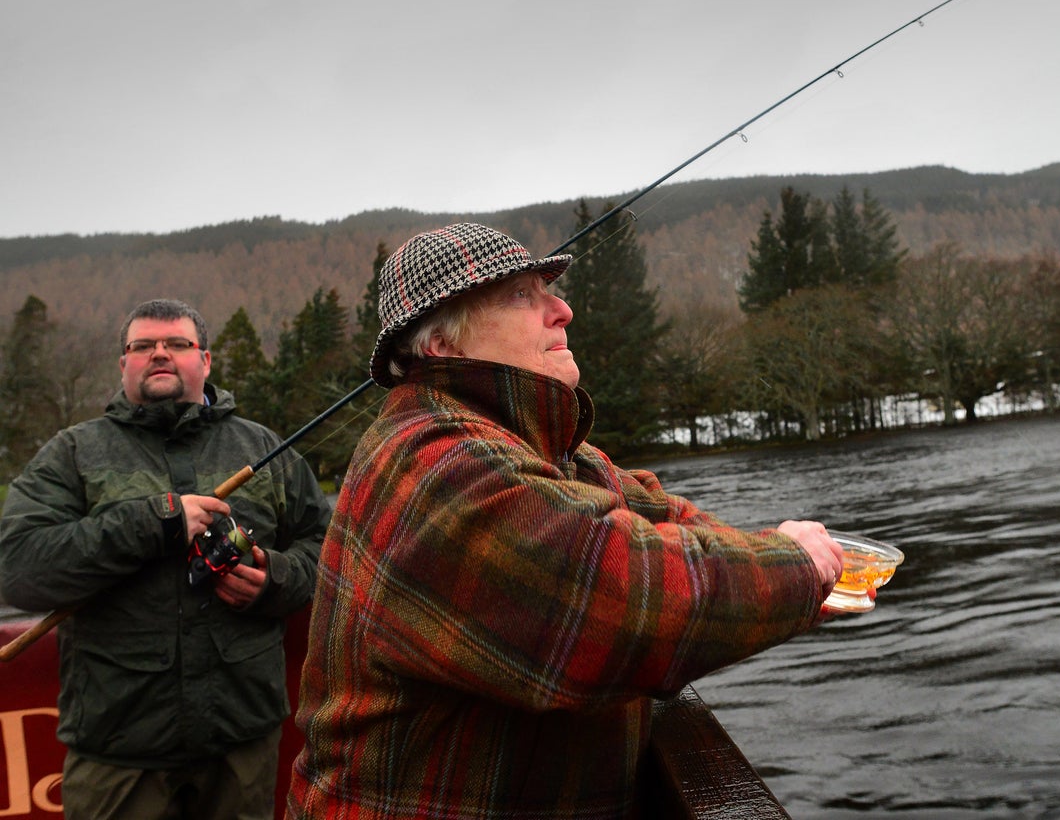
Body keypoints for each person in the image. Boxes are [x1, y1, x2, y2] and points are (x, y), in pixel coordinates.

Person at [286, 223, 846, 819]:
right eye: (522, 296)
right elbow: (620, 599)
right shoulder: (435, 464)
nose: (563, 310)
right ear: (442, 343)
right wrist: (796, 567)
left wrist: (773, 555)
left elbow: (670, 519)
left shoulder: (543, 452)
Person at [0, 298, 332, 820]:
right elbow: (18, 570)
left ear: (205, 360)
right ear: (123, 363)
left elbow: (329, 551)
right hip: (118, 750)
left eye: (177, 344)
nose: (159, 354)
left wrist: (276, 579)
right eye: (142, 347)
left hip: (242, 744)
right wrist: (154, 523)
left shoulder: (264, 448)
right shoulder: (72, 454)